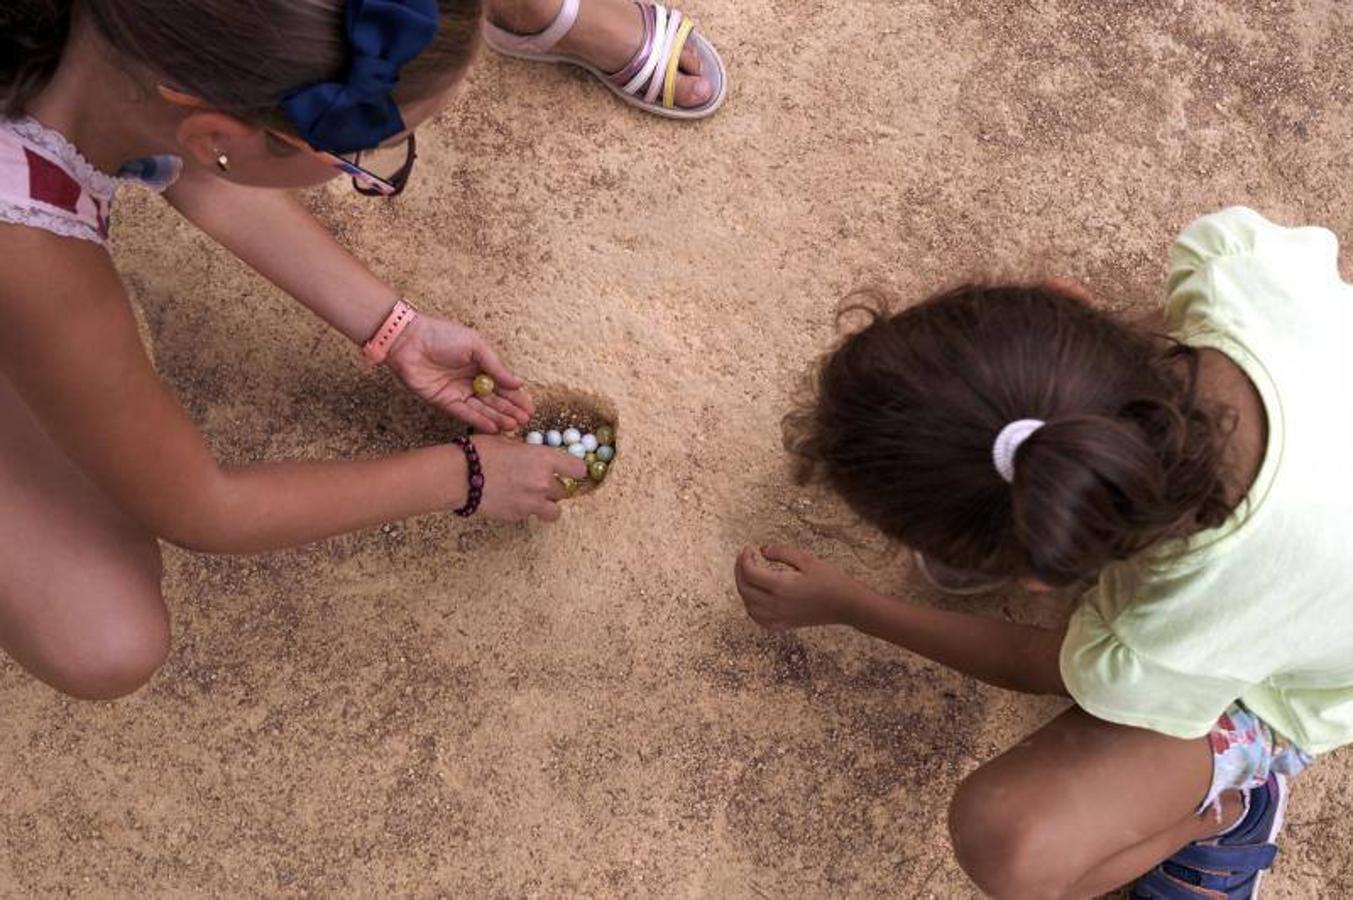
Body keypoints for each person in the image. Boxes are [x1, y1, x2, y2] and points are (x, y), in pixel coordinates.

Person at [736, 208, 1353, 897]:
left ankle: (1225, 812)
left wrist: (853, 606)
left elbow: (1047, 664)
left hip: (1303, 688)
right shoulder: (1237, 269)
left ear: (1035, 577)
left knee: (1012, 846)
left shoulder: (1160, 639)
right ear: (1069, 299)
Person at [0, 0, 595, 701]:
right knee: (105, 636)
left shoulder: (128, 44)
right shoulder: (34, 256)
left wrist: (394, 326)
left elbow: (188, 159)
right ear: (216, 131)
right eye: (362, 157)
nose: (363, 171)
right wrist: (464, 475)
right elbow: (204, 508)